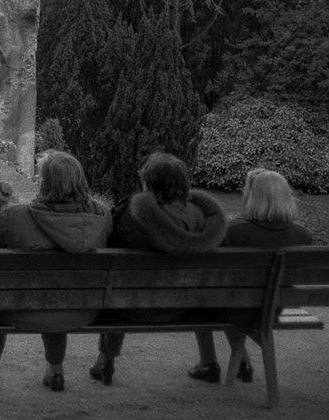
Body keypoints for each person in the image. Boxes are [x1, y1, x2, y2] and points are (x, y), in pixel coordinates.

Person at [0, 150, 112, 395]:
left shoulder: (13, 217)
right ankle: (55, 370)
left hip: (18, 311)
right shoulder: (102, 217)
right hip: (80, 311)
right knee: (62, 294)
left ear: (44, 182)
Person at [90, 152, 227, 385]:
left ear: (147, 182)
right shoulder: (202, 218)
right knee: (198, 292)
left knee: (118, 289)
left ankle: (105, 361)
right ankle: (209, 361)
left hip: (131, 307)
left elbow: (110, 250)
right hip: (185, 306)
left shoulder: (130, 214)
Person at [188, 168, 312, 383]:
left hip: (238, 307)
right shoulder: (303, 235)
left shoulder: (232, 231)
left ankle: (208, 363)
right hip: (276, 307)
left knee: (208, 297)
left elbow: (208, 273)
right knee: (236, 298)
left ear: (252, 196)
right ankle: (241, 360)